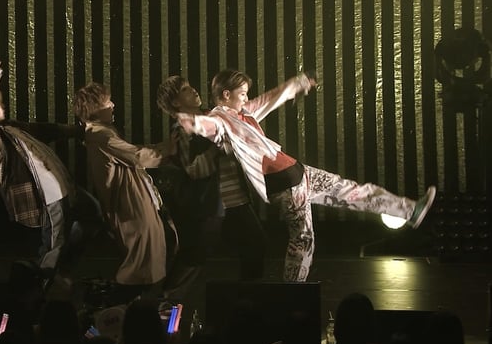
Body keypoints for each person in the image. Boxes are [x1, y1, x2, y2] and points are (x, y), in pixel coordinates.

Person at [177, 69, 437, 281]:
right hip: (286, 185)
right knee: (303, 238)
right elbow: (212, 126)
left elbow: (271, 98)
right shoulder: (221, 119)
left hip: (300, 174)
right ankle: (293, 292)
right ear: (226, 94)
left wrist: (299, 82)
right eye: (242, 94)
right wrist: (194, 123)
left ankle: (410, 210)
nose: (246, 98)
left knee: (353, 190)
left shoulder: (245, 113)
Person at [0, 58, 104, 286]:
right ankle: (41, 290)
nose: (2, 107)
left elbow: (45, 130)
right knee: (54, 247)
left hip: (66, 188)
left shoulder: (12, 127)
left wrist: (79, 131)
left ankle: (62, 270)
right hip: (51, 197)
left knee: (92, 214)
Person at [155, 75, 266, 301]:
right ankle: (165, 302)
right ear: (175, 103)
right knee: (196, 255)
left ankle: (248, 302)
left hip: (234, 198)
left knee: (255, 244)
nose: (193, 90)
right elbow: (194, 170)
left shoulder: (214, 115)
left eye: (191, 86)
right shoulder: (183, 130)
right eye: (185, 90)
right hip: (211, 204)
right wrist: (217, 147)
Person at [73, 82, 178, 301]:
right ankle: (128, 304)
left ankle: (136, 303)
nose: (112, 105)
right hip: (130, 203)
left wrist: (164, 147)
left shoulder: (100, 133)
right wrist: (169, 150)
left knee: (145, 255)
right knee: (141, 259)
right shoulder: (101, 135)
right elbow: (136, 155)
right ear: (94, 109)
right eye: (107, 102)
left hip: (132, 199)